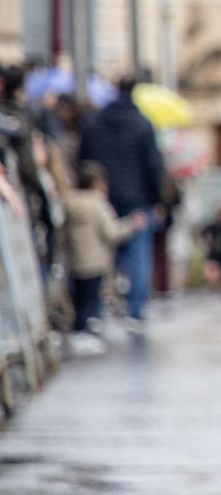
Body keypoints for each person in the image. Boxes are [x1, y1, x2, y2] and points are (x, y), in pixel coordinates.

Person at [76, 77, 166, 331]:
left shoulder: (94, 121)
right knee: (138, 255)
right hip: (137, 199)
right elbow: (153, 166)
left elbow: (83, 159)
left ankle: (100, 306)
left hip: (102, 197)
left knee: (103, 252)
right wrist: (156, 199)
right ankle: (135, 310)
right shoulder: (143, 124)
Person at [62, 162, 147, 355]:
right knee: (92, 300)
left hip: (74, 260)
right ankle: (87, 333)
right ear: (97, 183)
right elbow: (111, 232)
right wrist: (131, 224)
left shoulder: (69, 202)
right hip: (95, 261)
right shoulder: (99, 205)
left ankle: (77, 332)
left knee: (78, 298)